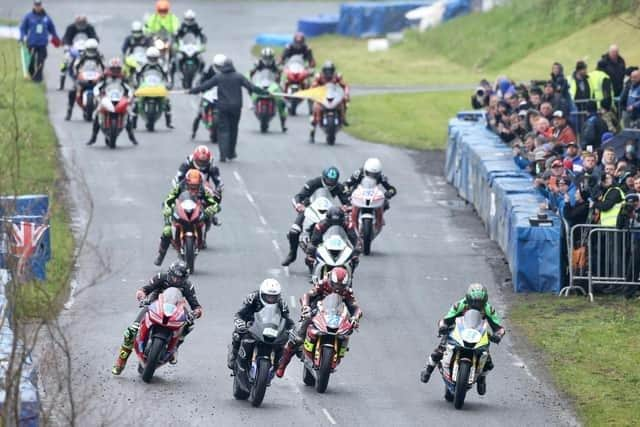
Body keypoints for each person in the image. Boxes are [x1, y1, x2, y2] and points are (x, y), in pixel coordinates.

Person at [111, 261, 202, 375]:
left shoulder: (188, 286)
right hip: (154, 307)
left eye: (180, 279)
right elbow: (145, 289)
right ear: (169, 274)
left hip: (175, 311)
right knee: (132, 330)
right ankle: (121, 360)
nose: (176, 281)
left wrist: (196, 312)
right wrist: (142, 296)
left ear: (184, 279)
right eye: (174, 277)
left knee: (189, 325)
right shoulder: (160, 277)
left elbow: (196, 306)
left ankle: (175, 347)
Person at [275, 267, 362, 377]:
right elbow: (307, 295)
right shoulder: (323, 284)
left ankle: (339, 352)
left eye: (341, 285)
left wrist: (355, 318)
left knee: (347, 332)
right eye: (336, 285)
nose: (338, 288)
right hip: (317, 312)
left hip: (336, 317)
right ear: (331, 281)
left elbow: (355, 307)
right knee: (296, 338)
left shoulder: (348, 291)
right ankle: (282, 365)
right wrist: (306, 307)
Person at [420, 283, 506, 394]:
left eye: (480, 302)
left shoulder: (489, 309)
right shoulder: (460, 305)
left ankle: (482, 378)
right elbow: (446, 319)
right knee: (439, 351)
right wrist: (443, 327)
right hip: (458, 331)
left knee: (488, 362)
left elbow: (498, 327)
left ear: (484, 301)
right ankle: (428, 370)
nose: (476, 305)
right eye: (474, 301)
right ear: (468, 299)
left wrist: (498, 335)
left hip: (478, 334)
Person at [188, 58, 267, 162]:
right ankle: (231, 153)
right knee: (233, 129)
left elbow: (204, 86)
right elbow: (251, 87)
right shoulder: (239, 77)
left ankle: (222, 155)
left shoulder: (219, 77)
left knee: (223, 131)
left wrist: (191, 91)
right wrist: (265, 92)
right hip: (236, 108)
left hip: (223, 107)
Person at [281, 166, 351, 266]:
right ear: (323, 177)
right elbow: (298, 196)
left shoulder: (340, 187)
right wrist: (298, 205)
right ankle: (292, 254)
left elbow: (348, 201)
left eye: (333, 181)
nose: (330, 183)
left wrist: (346, 207)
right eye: (328, 180)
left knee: (340, 226)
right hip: (310, 209)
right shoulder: (313, 183)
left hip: (328, 211)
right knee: (294, 231)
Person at [154, 169, 220, 266]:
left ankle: (202, 238)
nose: (194, 189)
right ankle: (161, 255)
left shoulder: (204, 190)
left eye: (196, 186)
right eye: (191, 186)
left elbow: (214, 203)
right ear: (187, 183)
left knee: (206, 218)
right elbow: (168, 199)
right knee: (167, 230)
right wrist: (167, 208)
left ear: (200, 184)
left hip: (196, 211)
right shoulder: (179, 187)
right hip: (180, 210)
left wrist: (213, 209)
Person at [227, 279, 295, 370]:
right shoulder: (252, 298)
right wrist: (240, 323)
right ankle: (234, 355)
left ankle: (277, 364)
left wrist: (292, 330)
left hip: (271, 328)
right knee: (238, 334)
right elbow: (240, 314)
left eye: (273, 297)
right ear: (261, 294)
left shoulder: (282, 304)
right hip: (252, 324)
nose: (271, 299)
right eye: (268, 296)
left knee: (285, 341)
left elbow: (287, 320)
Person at [86, 57, 138, 146]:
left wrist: (130, 97)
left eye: (117, 69)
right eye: (113, 69)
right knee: (97, 115)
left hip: (119, 98)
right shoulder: (105, 77)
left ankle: (131, 137)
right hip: (106, 98)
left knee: (128, 114)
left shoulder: (123, 78)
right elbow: (97, 87)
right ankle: (93, 137)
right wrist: (97, 95)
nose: (115, 71)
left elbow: (128, 88)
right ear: (109, 69)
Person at [173, 145, 224, 227]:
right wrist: (178, 190)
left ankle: (211, 215)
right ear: (195, 158)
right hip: (186, 187)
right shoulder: (187, 164)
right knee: (171, 202)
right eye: (200, 162)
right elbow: (177, 179)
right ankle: (171, 221)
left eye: (204, 162)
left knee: (217, 195)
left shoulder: (212, 166)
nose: (202, 164)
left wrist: (217, 191)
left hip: (203, 188)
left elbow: (219, 182)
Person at [306, 206, 362, 271]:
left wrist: (357, 250)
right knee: (310, 255)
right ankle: (314, 271)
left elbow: (355, 239)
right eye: (332, 222)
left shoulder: (348, 225)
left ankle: (349, 272)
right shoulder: (320, 225)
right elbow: (314, 241)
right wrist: (311, 251)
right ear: (328, 220)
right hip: (325, 246)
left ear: (342, 219)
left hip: (342, 246)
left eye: (338, 222)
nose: (335, 224)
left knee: (355, 258)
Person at [132, 47, 174, 129]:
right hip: (145, 85)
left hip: (158, 85)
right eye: (151, 58)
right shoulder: (143, 64)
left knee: (167, 101)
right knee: (136, 102)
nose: (152, 60)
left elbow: (167, 75)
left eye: (154, 58)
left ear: (157, 58)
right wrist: (136, 83)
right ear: (147, 57)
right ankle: (133, 123)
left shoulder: (161, 64)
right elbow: (136, 75)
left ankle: (168, 122)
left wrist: (169, 83)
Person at [309, 61, 351, 143]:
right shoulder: (319, 77)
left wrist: (346, 94)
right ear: (323, 71)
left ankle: (343, 118)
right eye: (326, 70)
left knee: (343, 103)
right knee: (315, 107)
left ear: (333, 71)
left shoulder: (337, 77)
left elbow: (345, 86)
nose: (328, 73)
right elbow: (313, 86)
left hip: (333, 96)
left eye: (330, 70)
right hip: (322, 97)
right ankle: (312, 131)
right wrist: (313, 93)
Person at [19, 0, 60, 82]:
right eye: (36, 5)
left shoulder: (47, 17)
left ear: (41, 6)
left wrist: (57, 38)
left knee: (40, 61)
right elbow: (23, 28)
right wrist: (22, 37)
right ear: (34, 6)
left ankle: (38, 79)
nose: (38, 7)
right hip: (31, 43)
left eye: (39, 5)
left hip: (42, 44)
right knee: (31, 62)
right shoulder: (29, 16)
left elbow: (52, 29)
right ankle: (33, 75)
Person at [65, 38, 104, 121]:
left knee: (104, 91)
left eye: (93, 50)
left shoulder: (99, 56)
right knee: (72, 91)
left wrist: (103, 75)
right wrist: (76, 73)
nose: (91, 52)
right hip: (83, 76)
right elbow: (76, 65)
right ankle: (69, 110)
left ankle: (105, 113)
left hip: (95, 77)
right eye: (90, 50)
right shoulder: (82, 55)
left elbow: (104, 67)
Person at [249, 47, 288, 132]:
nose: (267, 59)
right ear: (262, 57)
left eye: (269, 57)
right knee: (252, 90)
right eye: (265, 57)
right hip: (261, 82)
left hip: (272, 84)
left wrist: (281, 83)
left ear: (272, 57)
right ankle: (252, 102)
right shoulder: (258, 63)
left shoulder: (276, 64)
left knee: (281, 102)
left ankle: (283, 123)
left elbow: (282, 74)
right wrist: (250, 80)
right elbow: (251, 73)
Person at [59, 15, 99, 90]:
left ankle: (93, 79)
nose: (81, 25)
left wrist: (94, 43)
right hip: (73, 48)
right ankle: (62, 82)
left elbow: (94, 37)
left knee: (95, 59)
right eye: (80, 23)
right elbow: (66, 37)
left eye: (83, 23)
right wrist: (67, 45)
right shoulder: (71, 28)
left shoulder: (90, 28)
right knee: (65, 61)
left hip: (86, 49)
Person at [191, 54, 225, 139]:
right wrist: (199, 86)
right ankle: (194, 132)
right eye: (218, 66)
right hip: (209, 92)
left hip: (222, 94)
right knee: (199, 113)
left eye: (221, 66)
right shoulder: (208, 70)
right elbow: (201, 80)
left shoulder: (228, 71)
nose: (219, 68)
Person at [171, 9, 207, 83]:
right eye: (188, 19)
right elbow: (175, 36)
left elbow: (203, 37)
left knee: (202, 61)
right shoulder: (181, 27)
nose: (189, 21)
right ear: (185, 19)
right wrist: (175, 44)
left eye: (191, 20)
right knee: (174, 62)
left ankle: (201, 78)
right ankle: (171, 80)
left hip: (194, 47)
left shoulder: (197, 27)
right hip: (183, 47)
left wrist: (203, 45)